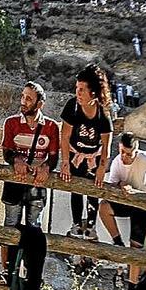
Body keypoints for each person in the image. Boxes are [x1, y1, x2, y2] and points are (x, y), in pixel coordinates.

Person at [1, 82, 60, 266]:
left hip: (37, 184)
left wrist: (46, 168)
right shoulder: (11, 123)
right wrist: (17, 161)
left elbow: (53, 157)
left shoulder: (51, 127)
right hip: (15, 181)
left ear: (39, 104)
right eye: (22, 97)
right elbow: (7, 152)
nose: (23, 102)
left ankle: (30, 270)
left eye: (29, 98)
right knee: (10, 224)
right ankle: (6, 268)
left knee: (34, 227)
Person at [98, 132, 146, 284]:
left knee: (135, 248)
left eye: (128, 154)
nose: (124, 156)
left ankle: (132, 285)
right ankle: (117, 241)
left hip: (143, 205)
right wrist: (121, 186)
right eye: (122, 152)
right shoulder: (116, 162)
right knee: (104, 207)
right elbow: (112, 186)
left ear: (136, 151)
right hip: (126, 201)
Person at [60, 64, 113, 240]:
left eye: (82, 89)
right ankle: (76, 224)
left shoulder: (103, 113)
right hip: (75, 154)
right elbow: (65, 136)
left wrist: (102, 169)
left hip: (94, 157)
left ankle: (91, 226)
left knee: (93, 190)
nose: (78, 93)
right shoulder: (72, 106)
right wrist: (65, 163)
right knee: (75, 187)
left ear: (93, 92)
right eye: (77, 88)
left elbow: (106, 145)